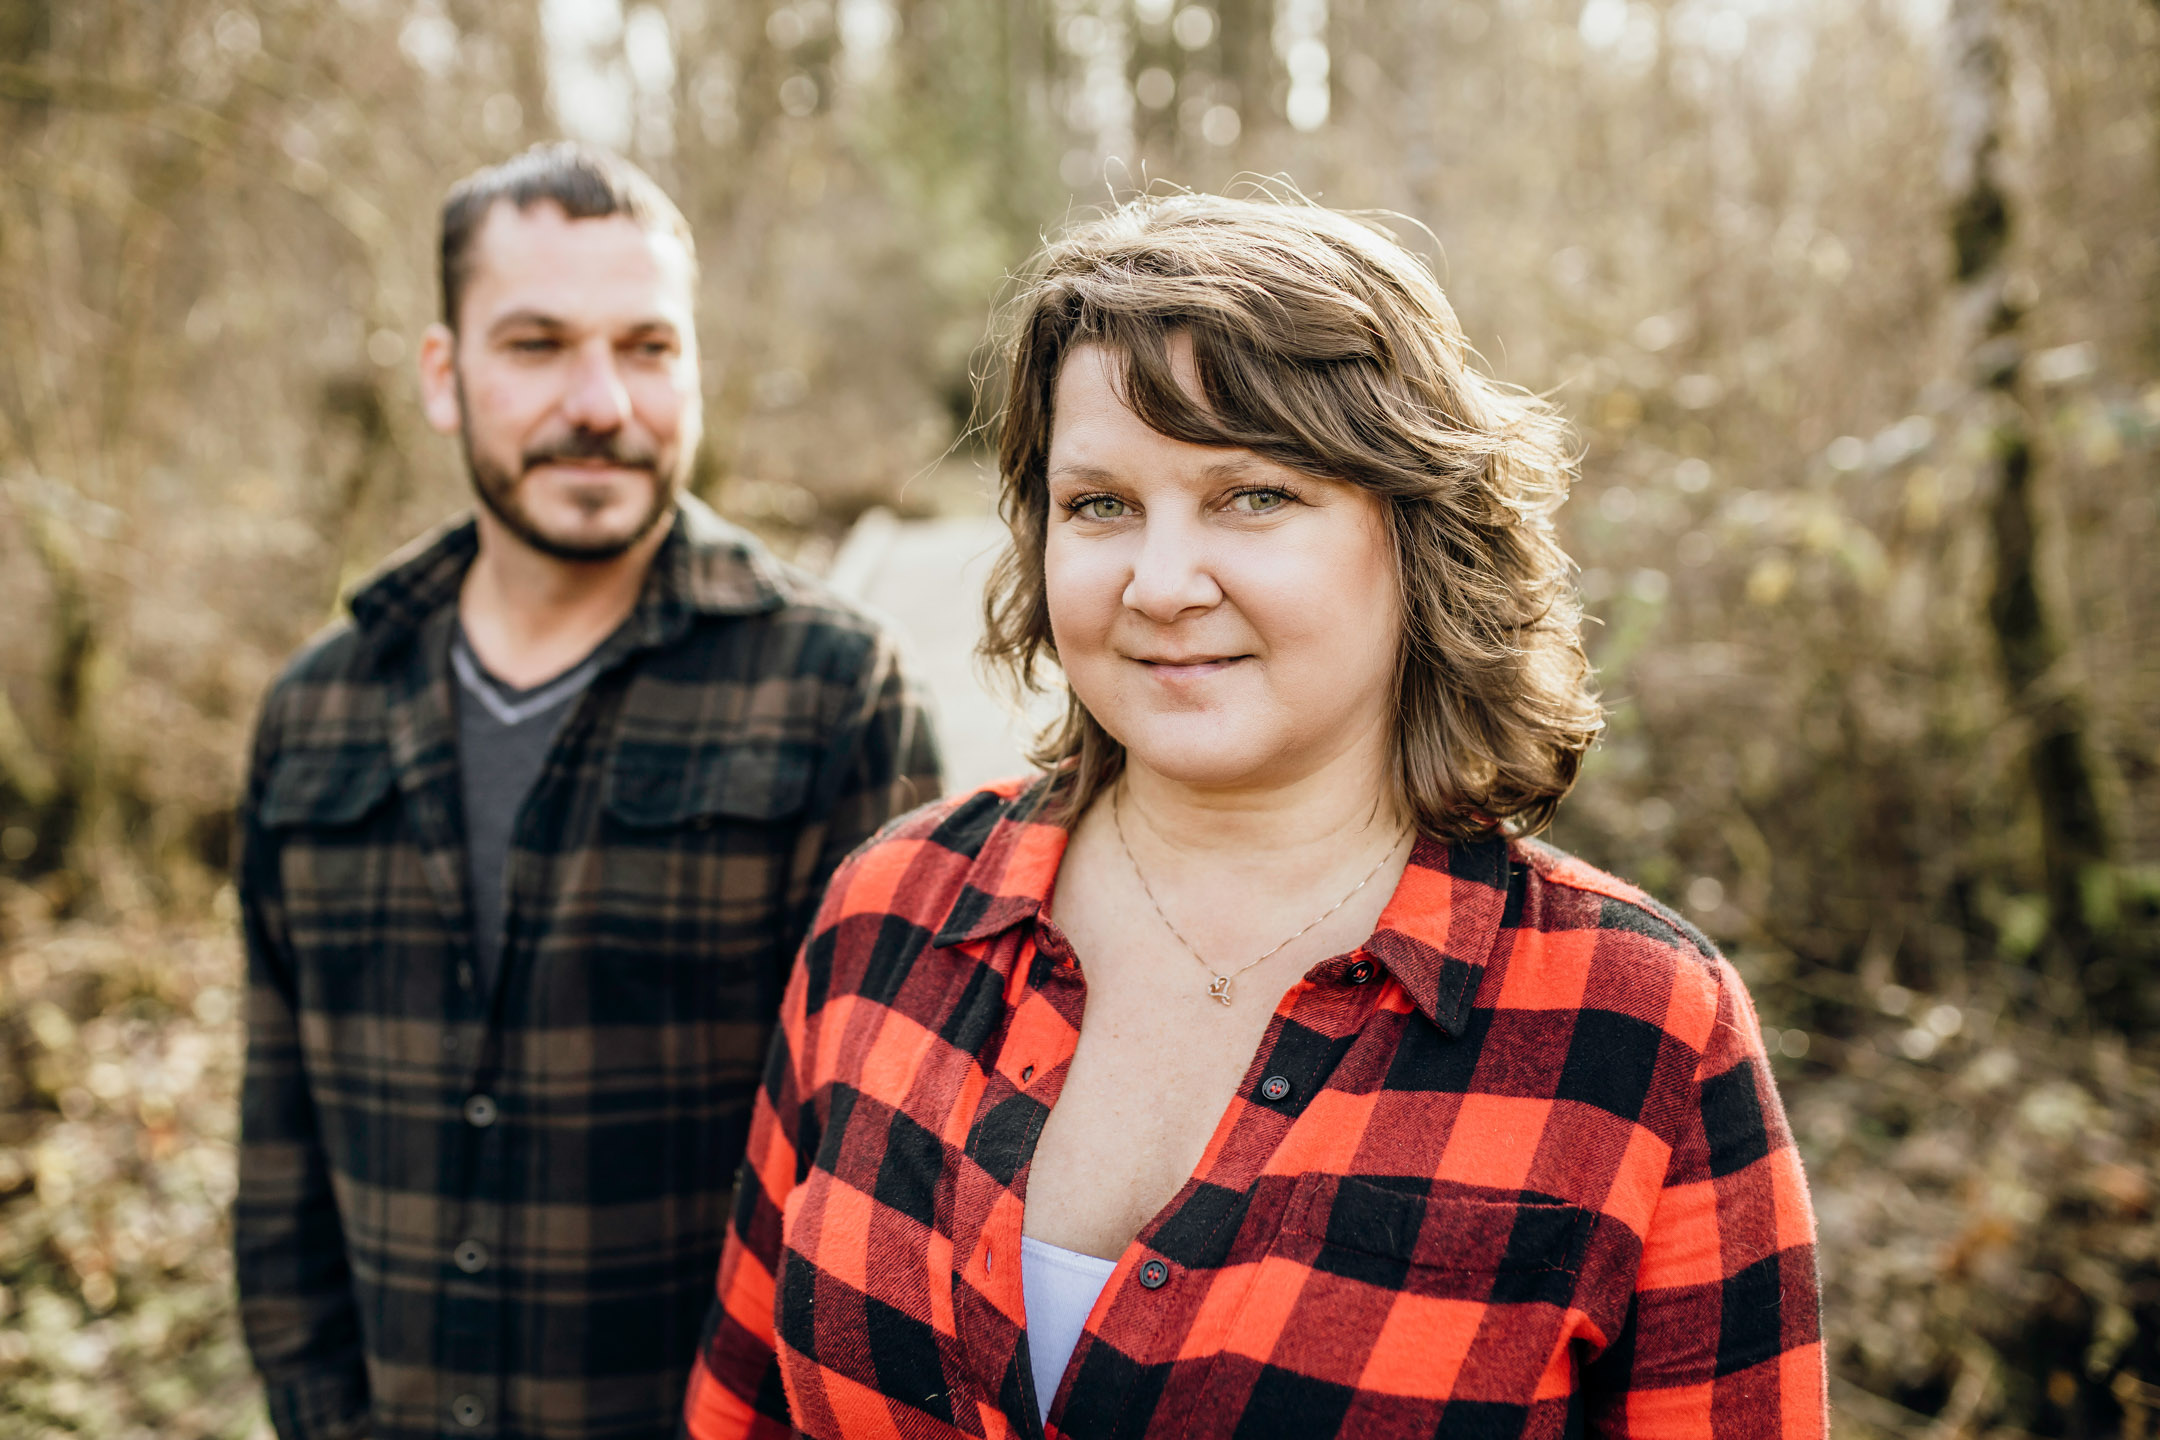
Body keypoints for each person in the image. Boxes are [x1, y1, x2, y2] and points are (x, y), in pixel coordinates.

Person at [682, 192, 1823, 1440]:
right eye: (1101, 505)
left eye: (1253, 496)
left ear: (1418, 534)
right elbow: (739, 1408)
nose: (1160, 585)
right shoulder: (889, 913)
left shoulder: (1638, 1031)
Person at [233, 143, 941, 1440]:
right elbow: (280, 1169)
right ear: (445, 377)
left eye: (649, 347)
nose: (602, 401)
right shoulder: (318, 711)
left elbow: (882, 1199)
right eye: (540, 344)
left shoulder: (831, 692)